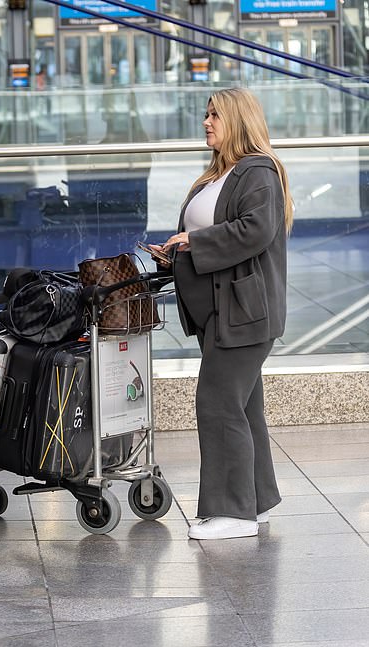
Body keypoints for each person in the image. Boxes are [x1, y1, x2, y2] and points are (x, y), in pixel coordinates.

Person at [149, 88, 293, 540]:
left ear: (239, 120)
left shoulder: (258, 171)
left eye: (216, 115)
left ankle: (232, 514)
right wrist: (174, 252)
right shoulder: (216, 176)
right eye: (205, 114)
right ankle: (256, 501)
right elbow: (202, 234)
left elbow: (255, 230)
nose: (206, 121)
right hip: (221, 311)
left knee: (217, 402)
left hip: (245, 311)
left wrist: (195, 241)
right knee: (244, 406)